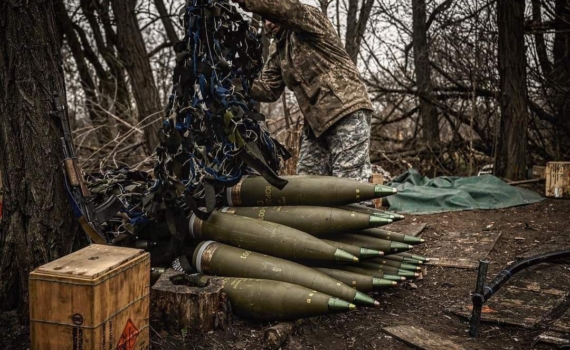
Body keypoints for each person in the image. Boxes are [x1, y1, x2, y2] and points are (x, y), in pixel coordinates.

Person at [232, 0, 374, 183]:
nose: (268, 22)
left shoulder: (308, 18)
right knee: (307, 181)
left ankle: (364, 211)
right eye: (265, 19)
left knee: (350, 180)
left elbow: (284, 9)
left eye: (270, 16)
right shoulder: (279, 48)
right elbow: (268, 89)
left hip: (345, 110)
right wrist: (233, 82)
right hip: (315, 125)